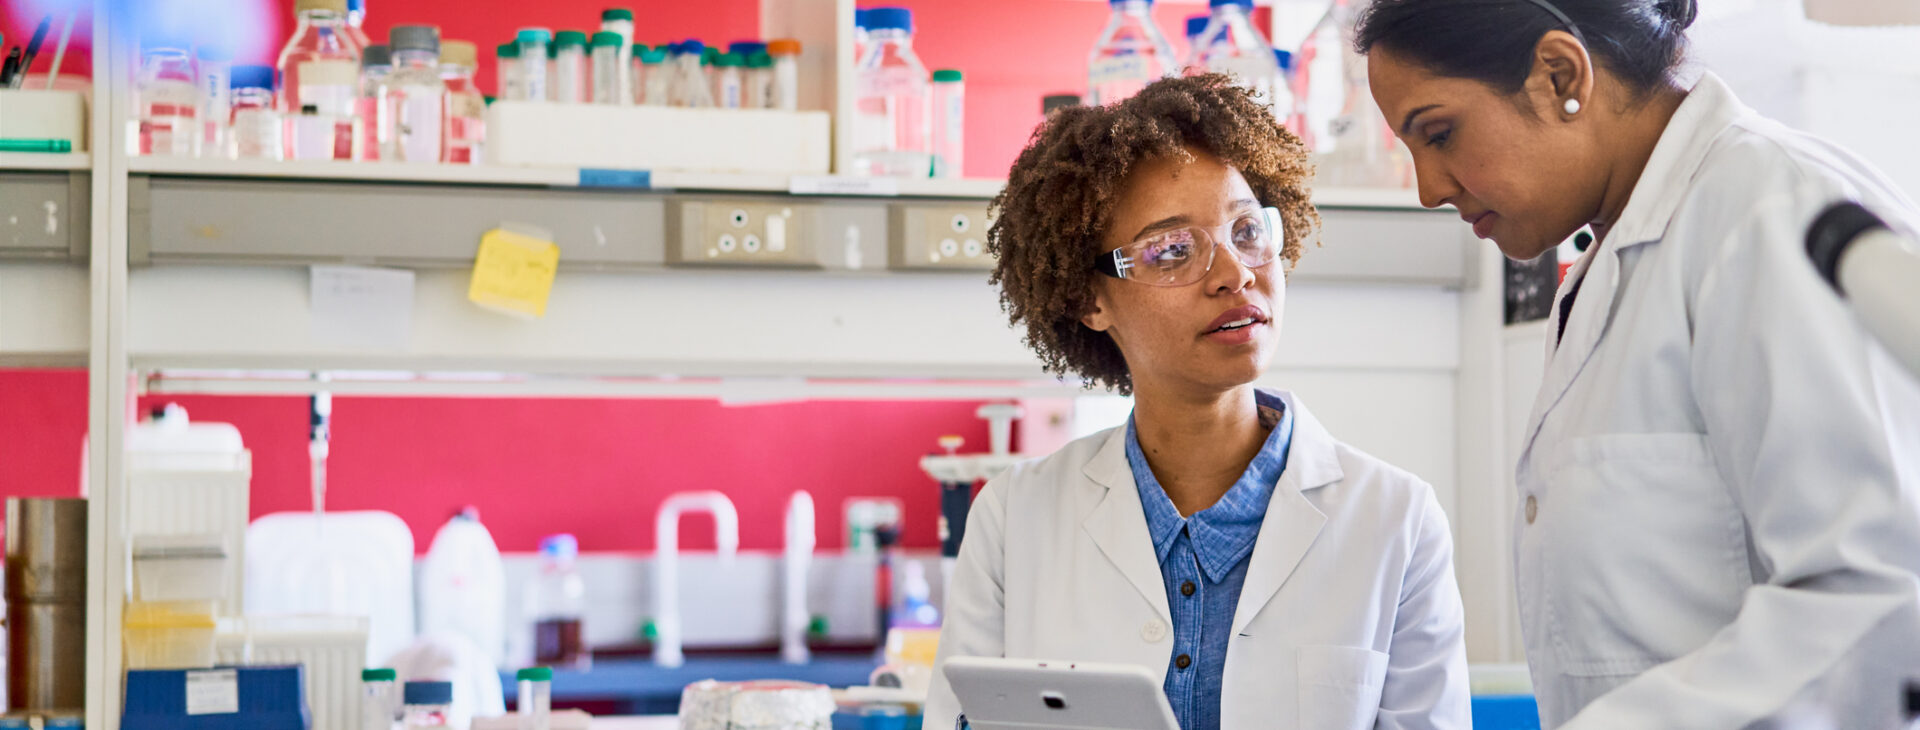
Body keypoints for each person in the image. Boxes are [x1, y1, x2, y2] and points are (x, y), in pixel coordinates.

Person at [1355, 0, 1920, 727]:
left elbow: (1882, 591)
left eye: (1439, 133)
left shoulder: (1772, 213)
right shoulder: (1619, 254)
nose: (1430, 187)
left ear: (1561, 72)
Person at [923, 73, 1470, 730]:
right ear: (1089, 299)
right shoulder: (1014, 519)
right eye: (1174, 249)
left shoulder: (1396, 520)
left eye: (1246, 230)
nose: (1236, 273)